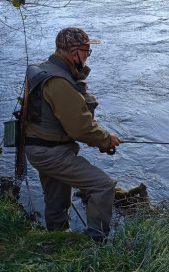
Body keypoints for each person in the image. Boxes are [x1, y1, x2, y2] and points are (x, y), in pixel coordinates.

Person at [23, 27, 122, 243]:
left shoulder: (44, 69)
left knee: (57, 200)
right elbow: (81, 128)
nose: (88, 55)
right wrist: (106, 139)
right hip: (51, 152)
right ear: (73, 52)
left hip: (42, 147)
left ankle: (58, 240)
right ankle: (95, 243)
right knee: (103, 186)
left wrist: (101, 141)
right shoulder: (60, 83)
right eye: (87, 50)